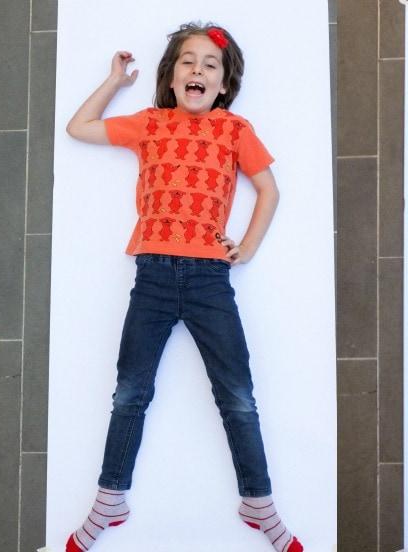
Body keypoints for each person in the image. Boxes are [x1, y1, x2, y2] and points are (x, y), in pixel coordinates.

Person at [64, 22, 302, 552]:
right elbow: (78, 127)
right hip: (150, 275)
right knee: (130, 391)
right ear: (172, 78)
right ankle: (111, 499)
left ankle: (257, 500)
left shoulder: (235, 130)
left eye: (210, 66)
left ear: (222, 86)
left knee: (237, 395)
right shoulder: (149, 124)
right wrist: (113, 83)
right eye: (188, 62)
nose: (198, 70)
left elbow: (269, 189)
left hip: (209, 279)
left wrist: (250, 245)